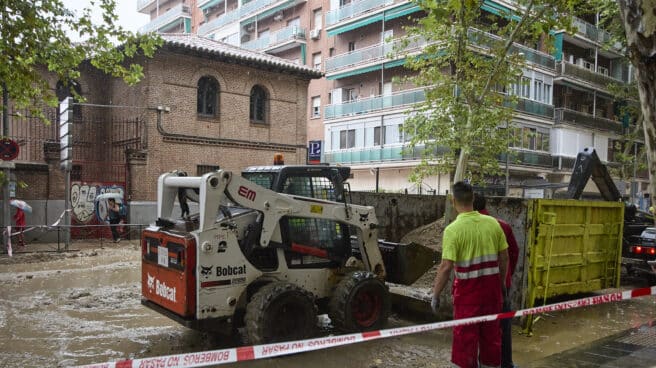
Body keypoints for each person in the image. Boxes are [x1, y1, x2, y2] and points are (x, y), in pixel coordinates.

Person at [431, 182, 509, 368]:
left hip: (467, 297)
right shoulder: (493, 224)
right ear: (473, 198)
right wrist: (502, 285)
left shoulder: (453, 230)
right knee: (491, 340)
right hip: (492, 295)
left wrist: (435, 295)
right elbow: (504, 257)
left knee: (465, 344)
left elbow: (446, 266)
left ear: (453, 201)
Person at [474, 194, 519, 368]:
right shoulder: (502, 225)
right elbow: (513, 252)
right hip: (500, 287)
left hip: (473, 287)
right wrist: (507, 277)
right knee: (502, 328)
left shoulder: (463, 227)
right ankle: (505, 363)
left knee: (473, 329)